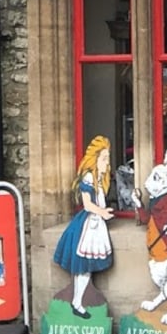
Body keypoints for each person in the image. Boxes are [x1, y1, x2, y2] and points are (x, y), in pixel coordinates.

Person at [52, 136, 115, 318]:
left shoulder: (99, 179)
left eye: (108, 158)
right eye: (104, 158)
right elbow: (87, 205)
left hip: (96, 224)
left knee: (85, 269)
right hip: (87, 226)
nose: (107, 163)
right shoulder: (88, 177)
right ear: (95, 159)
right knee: (82, 268)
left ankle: (77, 302)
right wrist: (102, 213)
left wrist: (104, 211)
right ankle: (77, 303)